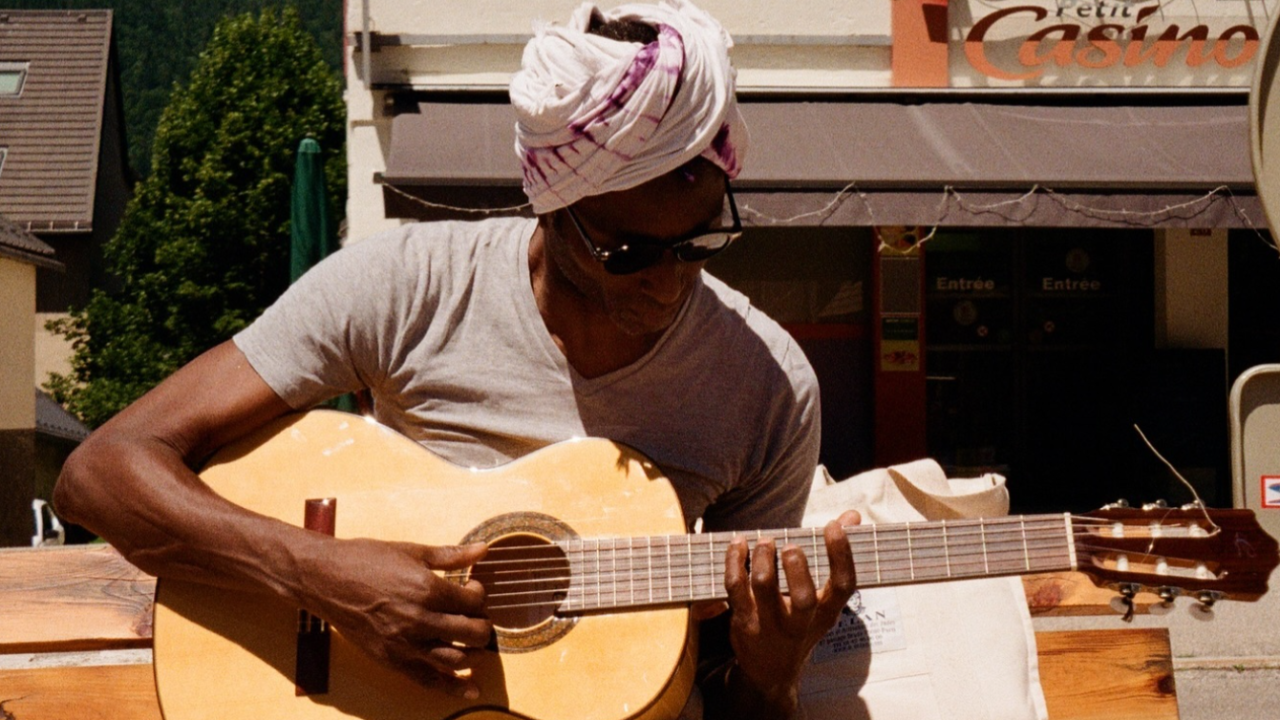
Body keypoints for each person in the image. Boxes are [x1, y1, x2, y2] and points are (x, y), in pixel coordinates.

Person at [52, 1, 859, 718]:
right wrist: (322, 574)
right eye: (626, 252)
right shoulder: (409, 286)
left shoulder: (769, 388)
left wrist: (771, 678)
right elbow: (99, 474)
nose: (668, 280)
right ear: (552, 201)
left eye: (697, 244)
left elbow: (727, 697)